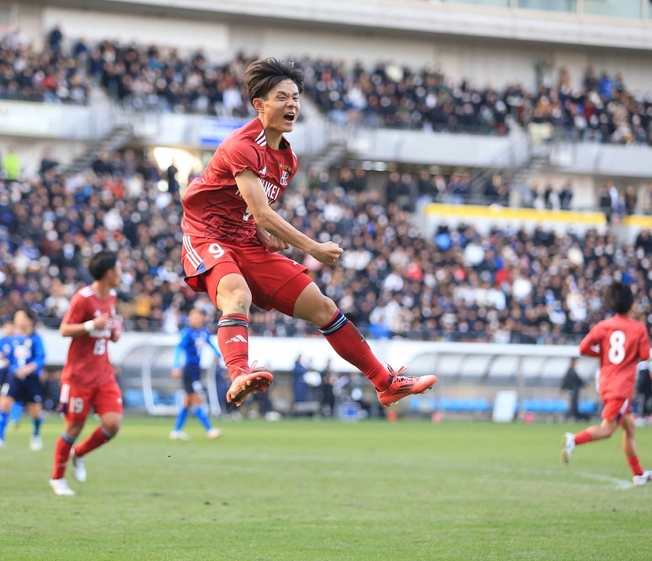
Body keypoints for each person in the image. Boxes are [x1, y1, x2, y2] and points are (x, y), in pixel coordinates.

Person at [178, 58, 436, 409]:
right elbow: (262, 211)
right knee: (237, 294)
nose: (292, 105)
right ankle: (238, 372)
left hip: (244, 240)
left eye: (296, 98)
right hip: (206, 236)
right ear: (260, 104)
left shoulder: (288, 160)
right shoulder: (241, 145)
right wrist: (312, 247)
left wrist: (260, 233)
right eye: (282, 97)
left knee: (323, 306)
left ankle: (385, 382)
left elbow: (251, 213)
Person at [562, 283, 652, 486]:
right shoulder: (638, 328)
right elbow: (646, 355)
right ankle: (574, 439)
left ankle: (638, 474)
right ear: (631, 304)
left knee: (629, 428)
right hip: (621, 386)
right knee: (607, 430)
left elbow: (583, 347)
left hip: (606, 382)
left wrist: (603, 354)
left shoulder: (603, 326)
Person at [49, 250, 125, 496]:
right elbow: (64, 330)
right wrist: (92, 325)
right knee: (73, 428)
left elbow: (105, 330)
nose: (122, 273)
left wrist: (112, 333)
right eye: (119, 269)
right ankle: (57, 479)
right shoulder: (83, 298)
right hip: (79, 377)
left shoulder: (112, 297)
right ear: (108, 273)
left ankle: (79, 453)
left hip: (103, 374)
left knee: (113, 424)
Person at [0, 309, 45, 450]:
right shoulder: (12, 339)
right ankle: (0, 439)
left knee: (35, 411)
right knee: (3, 404)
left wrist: (28, 369)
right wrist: (1, 362)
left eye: (21, 317)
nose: (17, 321)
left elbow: (40, 358)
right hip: (14, 377)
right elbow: (8, 358)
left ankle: (35, 436)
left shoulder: (36, 339)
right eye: (16, 318)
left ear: (29, 320)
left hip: (31, 379)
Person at [170, 307, 223, 440]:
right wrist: (176, 366)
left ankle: (176, 431)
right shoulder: (186, 333)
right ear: (189, 318)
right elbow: (179, 349)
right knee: (197, 399)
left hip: (197, 370)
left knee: (187, 402)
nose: (196, 319)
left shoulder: (204, 332)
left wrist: (218, 355)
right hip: (188, 370)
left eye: (198, 316)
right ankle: (210, 429)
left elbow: (210, 344)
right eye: (193, 316)